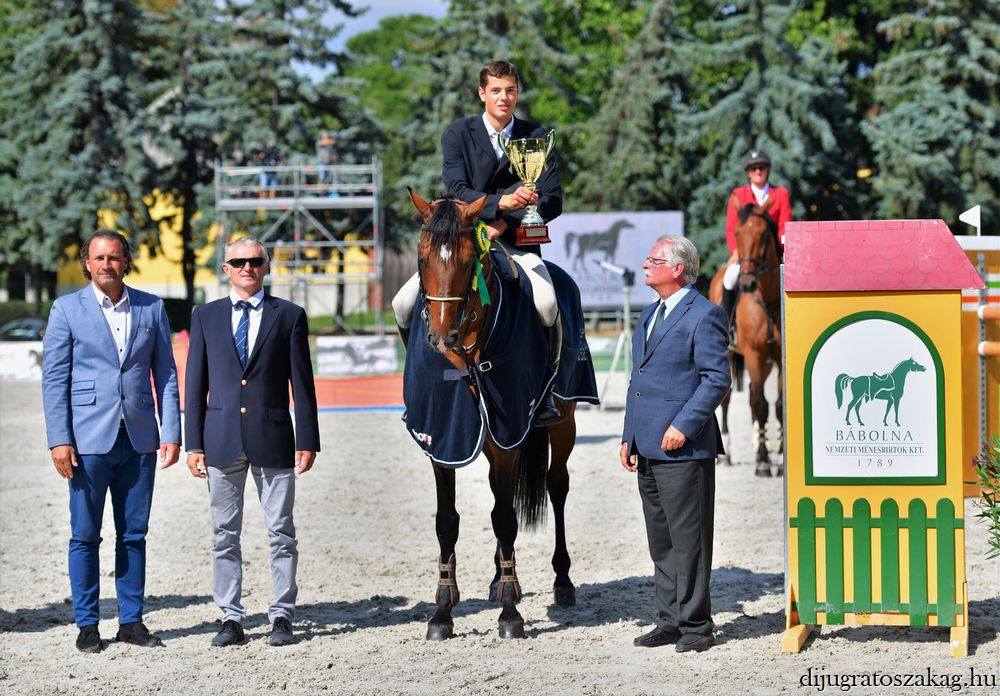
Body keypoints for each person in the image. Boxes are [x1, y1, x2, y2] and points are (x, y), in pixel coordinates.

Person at [391, 59, 564, 426]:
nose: (504, 97)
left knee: (547, 303)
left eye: (511, 90)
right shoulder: (458, 134)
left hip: (517, 242)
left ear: (518, 93)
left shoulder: (536, 135)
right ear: (482, 93)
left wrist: (504, 223)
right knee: (402, 303)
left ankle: (547, 390)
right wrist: (500, 203)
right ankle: (419, 383)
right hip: (463, 243)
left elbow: (552, 199)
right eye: (497, 90)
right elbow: (455, 189)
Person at [42, 229, 181, 653]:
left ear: (126, 262)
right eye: (99, 257)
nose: (107, 264)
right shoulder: (67, 309)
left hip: (139, 438)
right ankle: (87, 624)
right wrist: (59, 439)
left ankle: (131, 621)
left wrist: (171, 432)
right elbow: (54, 379)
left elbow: (167, 375)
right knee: (84, 535)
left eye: (114, 257)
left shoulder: (151, 307)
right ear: (87, 263)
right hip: (86, 441)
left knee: (133, 534)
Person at [184, 236, 320, 648]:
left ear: (266, 266)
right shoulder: (205, 316)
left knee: (281, 531)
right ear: (225, 268)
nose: (247, 267)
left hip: (275, 436)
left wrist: (309, 437)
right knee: (224, 533)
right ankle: (230, 617)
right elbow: (195, 383)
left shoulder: (290, 315)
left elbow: (303, 382)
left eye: (255, 260)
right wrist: (193, 443)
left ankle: (282, 614)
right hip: (220, 438)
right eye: (238, 261)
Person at [619, 235, 730, 653]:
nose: (646, 265)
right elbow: (639, 383)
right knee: (661, 540)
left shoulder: (705, 315)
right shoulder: (647, 315)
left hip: (684, 447)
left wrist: (684, 425)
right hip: (646, 446)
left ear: (678, 268)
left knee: (690, 540)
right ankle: (669, 619)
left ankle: (697, 624)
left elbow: (716, 378)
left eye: (655, 259)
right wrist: (628, 436)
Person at [720, 148, 793, 323]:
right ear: (748, 173)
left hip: (773, 253)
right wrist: (736, 251)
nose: (758, 171)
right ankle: (727, 327)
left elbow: (784, 226)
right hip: (747, 254)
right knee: (729, 278)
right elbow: (731, 230)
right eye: (753, 169)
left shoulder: (780, 194)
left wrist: (782, 251)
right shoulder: (738, 196)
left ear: (768, 169)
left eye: (761, 167)